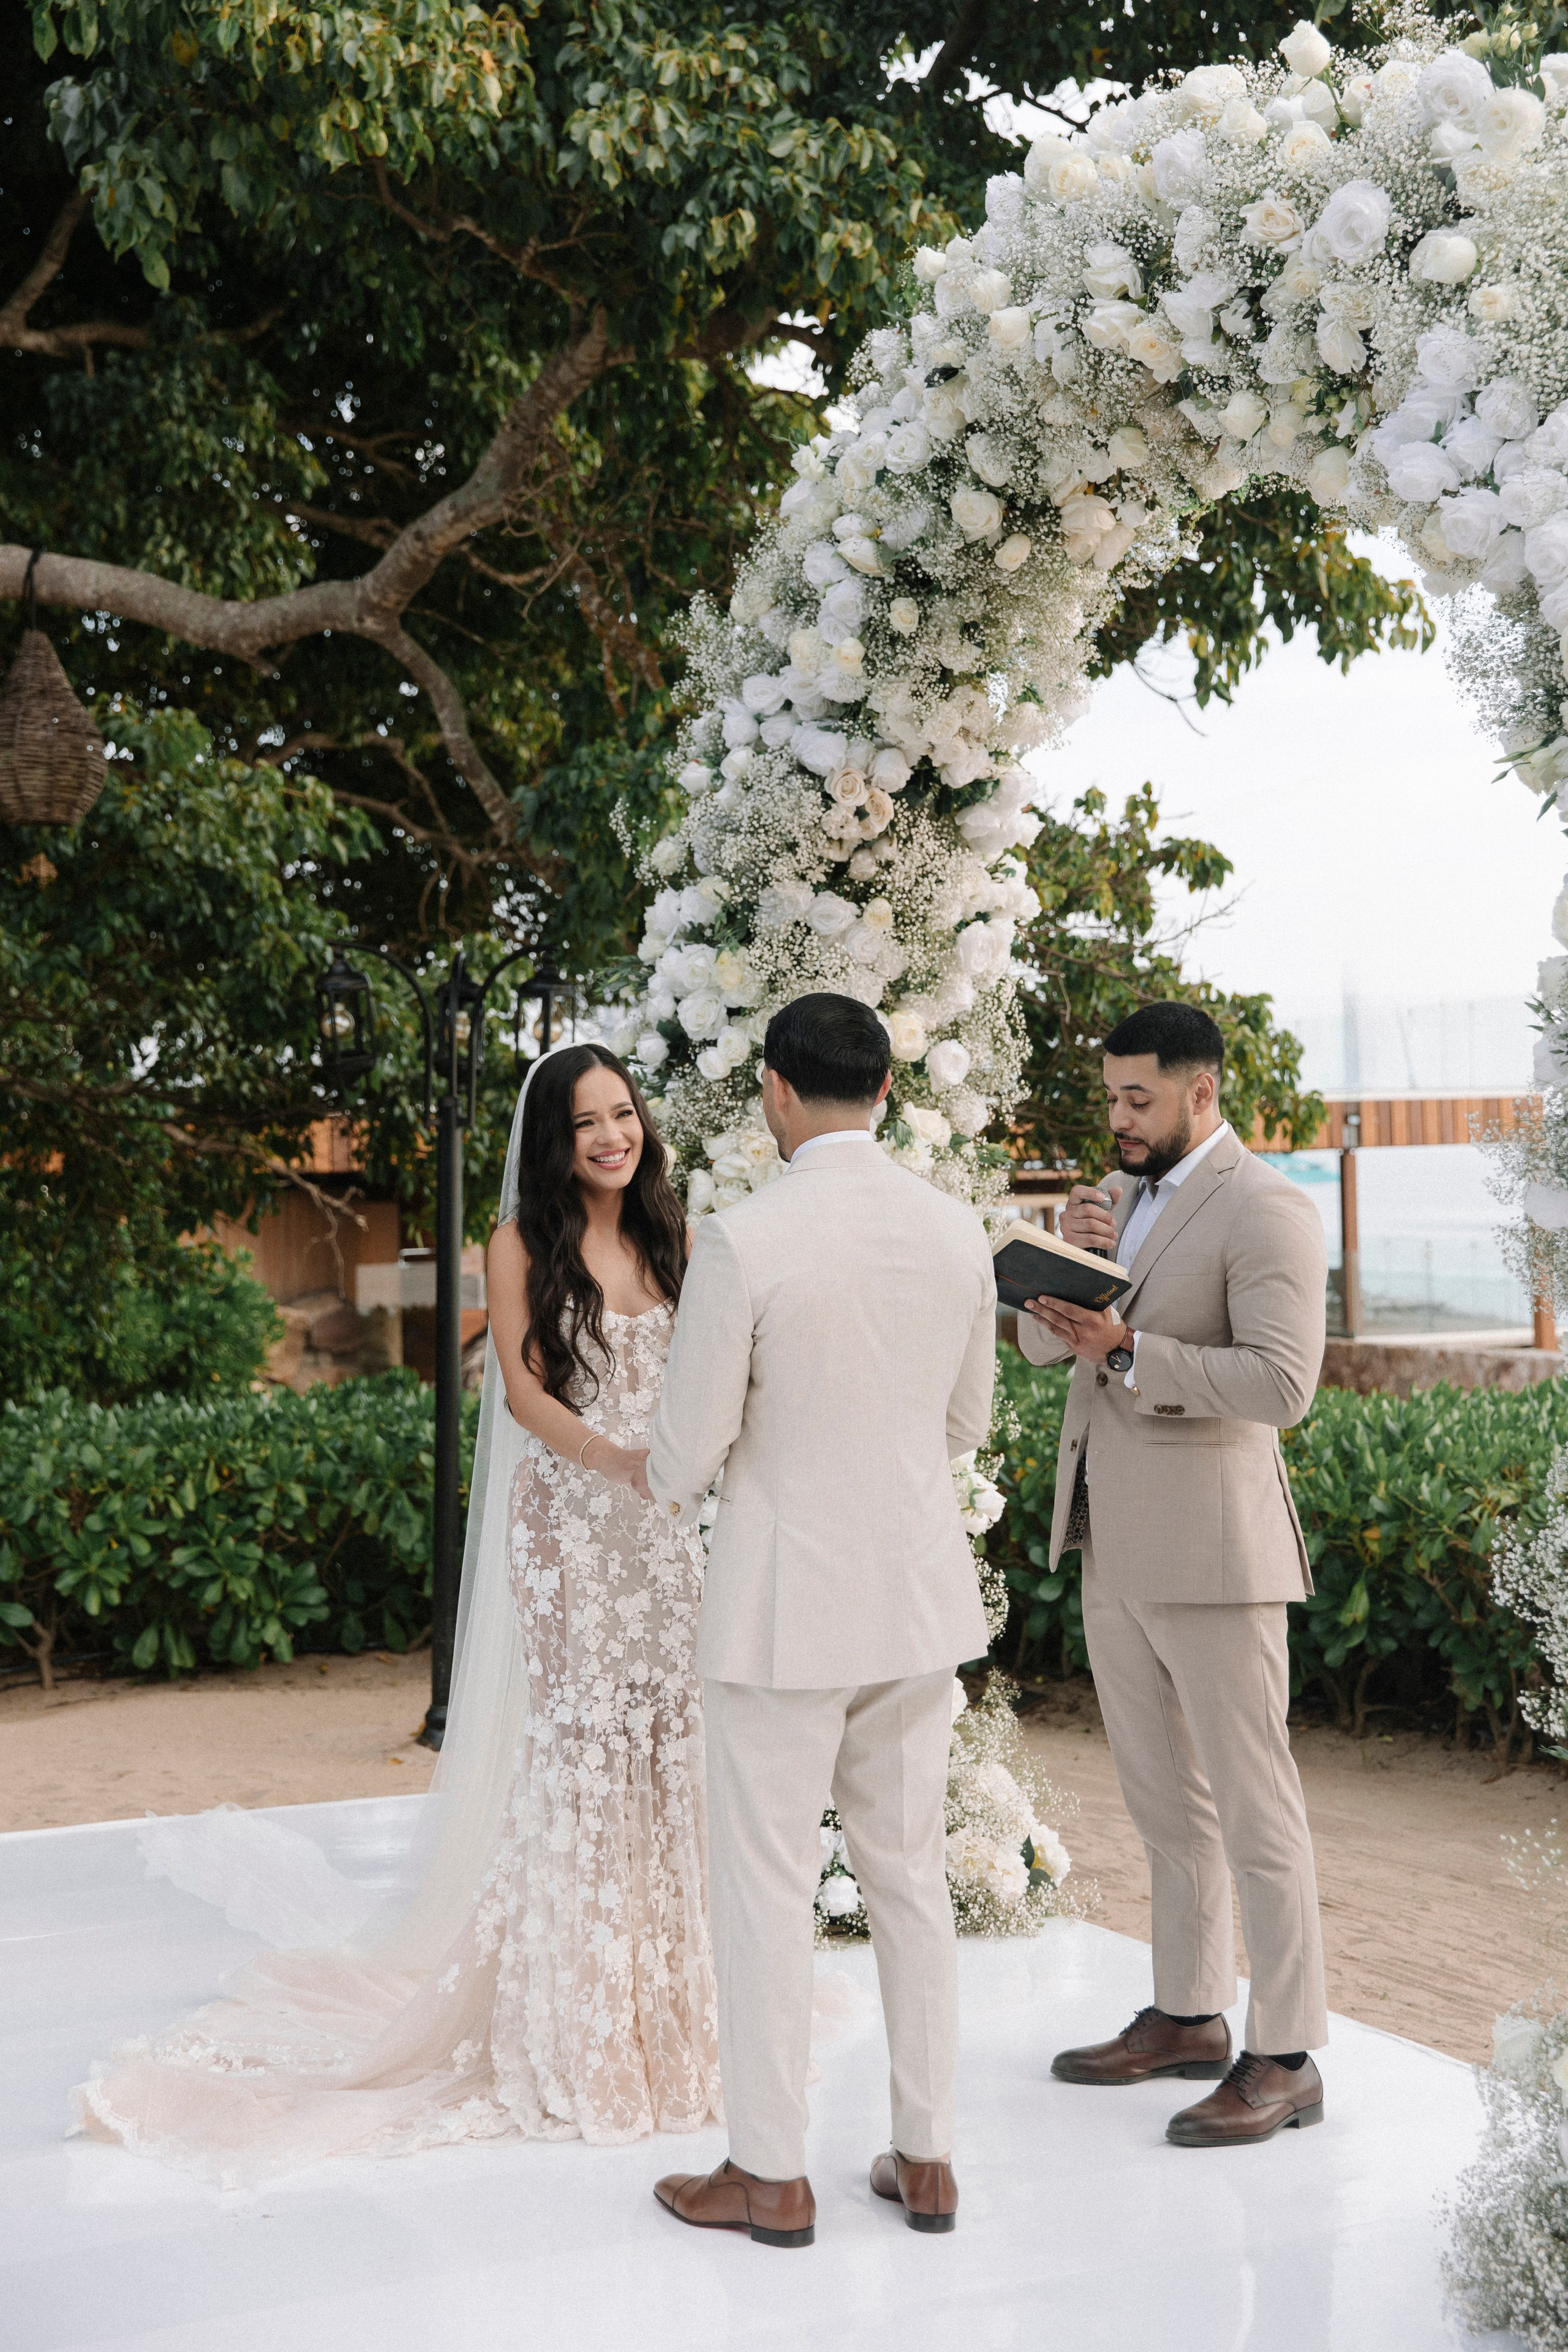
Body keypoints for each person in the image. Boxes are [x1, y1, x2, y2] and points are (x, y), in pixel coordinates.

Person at [72, 1042, 721, 2182]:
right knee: (582, 1762)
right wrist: (616, 1461)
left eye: (623, 1114)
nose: (613, 1137)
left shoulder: (680, 1236)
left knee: (667, 1754)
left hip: (666, 1539)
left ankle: (666, 2015)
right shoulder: (520, 1242)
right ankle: (575, 2025)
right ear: (553, 1141)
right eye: (586, 1123)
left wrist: (684, 1469)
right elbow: (521, 1389)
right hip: (574, 1526)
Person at [643, 992, 997, 2248]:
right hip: (913, 1603)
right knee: (909, 1880)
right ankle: (928, 2157)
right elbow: (965, 1425)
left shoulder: (745, 1238)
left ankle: (770, 2175)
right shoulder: (956, 1231)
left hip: (783, 1612)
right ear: (886, 1091)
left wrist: (665, 1471)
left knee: (765, 1887)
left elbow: (687, 1451)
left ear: (775, 1093)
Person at [1016, 1001, 1329, 2147]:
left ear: (1201, 1091)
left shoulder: (1268, 1207)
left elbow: (1284, 1385)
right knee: (1164, 1804)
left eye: (1138, 1098)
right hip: (1112, 1542)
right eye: (1111, 1097)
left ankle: (1287, 2056)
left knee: (1255, 1809)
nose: (1119, 1117)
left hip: (1217, 1554)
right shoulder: (1116, 1196)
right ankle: (1192, 2016)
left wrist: (1134, 1349)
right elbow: (1040, 1344)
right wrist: (1068, 1259)